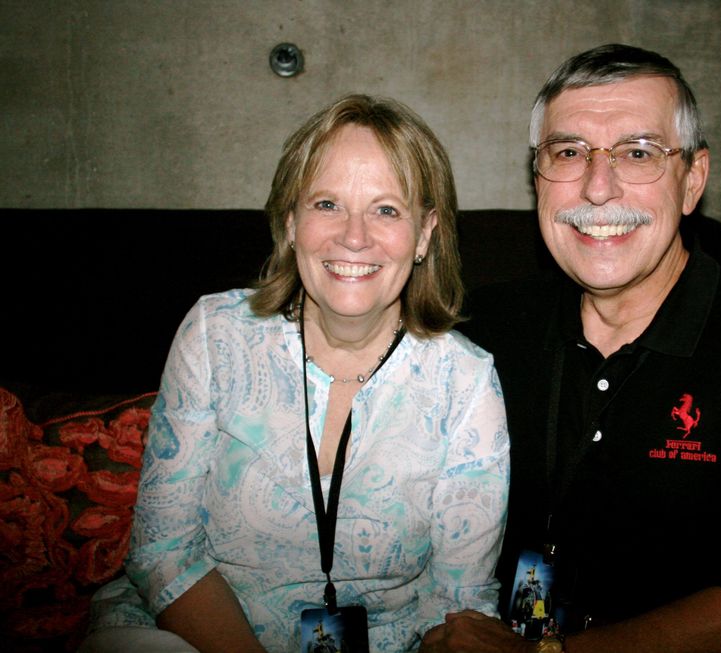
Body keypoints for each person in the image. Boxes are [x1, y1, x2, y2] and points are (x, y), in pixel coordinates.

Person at [423, 44, 721, 652]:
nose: (599, 188)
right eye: (568, 152)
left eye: (639, 153)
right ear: (537, 178)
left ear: (692, 181)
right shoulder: (484, 327)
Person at [81, 95, 510, 653]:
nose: (353, 237)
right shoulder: (215, 334)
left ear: (425, 233)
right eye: (327, 203)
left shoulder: (466, 381)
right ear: (290, 222)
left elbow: (461, 604)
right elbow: (164, 551)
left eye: (386, 209)